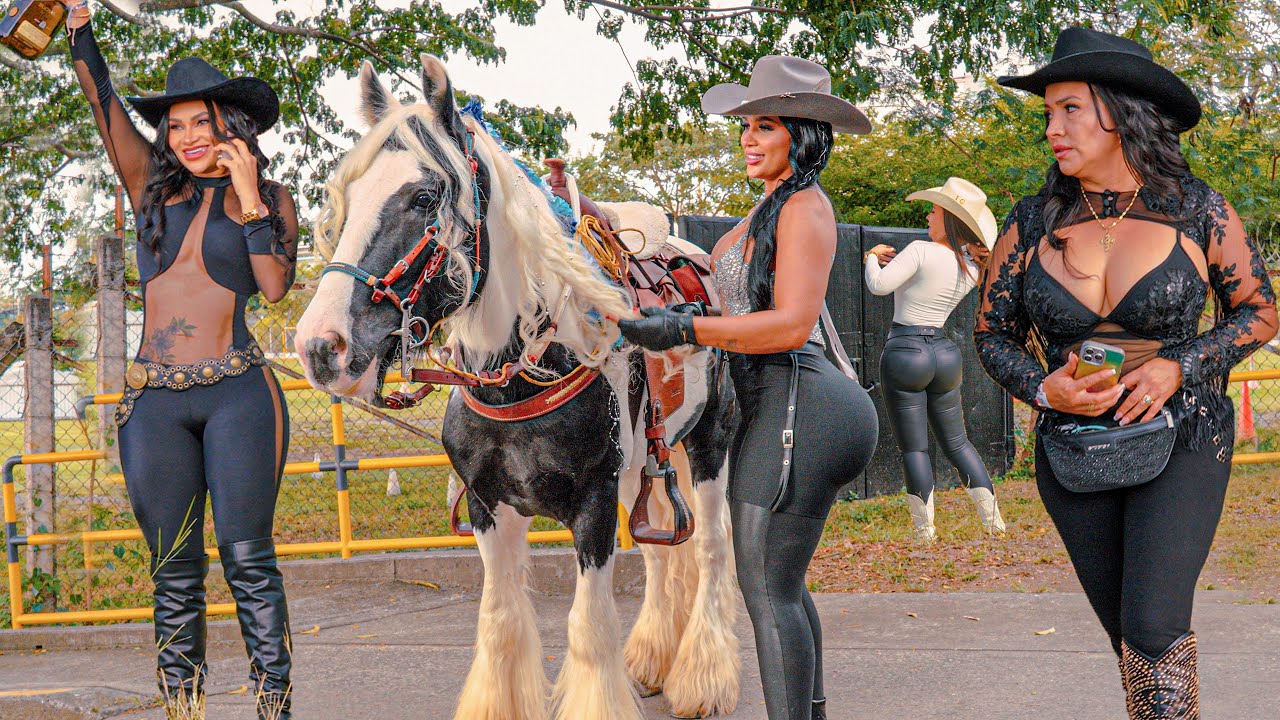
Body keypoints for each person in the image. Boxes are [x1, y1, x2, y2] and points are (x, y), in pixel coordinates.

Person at [977, 26, 1276, 717]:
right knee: (1133, 645)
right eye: (1047, 112)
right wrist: (1040, 386)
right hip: (1072, 448)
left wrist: (1179, 366)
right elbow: (992, 336)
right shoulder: (1030, 222)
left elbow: (1260, 312)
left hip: (1185, 434)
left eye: (1070, 108)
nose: (1052, 128)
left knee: (1153, 626)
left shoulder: (1199, 209)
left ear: (1120, 110)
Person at [618, 55, 878, 720]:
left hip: (802, 400)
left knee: (764, 590)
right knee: (781, 585)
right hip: (788, 402)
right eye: (745, 128)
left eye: (766, 125)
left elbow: (790, 325)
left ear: (804, 133)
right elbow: (715, 288)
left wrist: (686, 329)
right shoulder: (770, 209)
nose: (749, 138)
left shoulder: (804, 209)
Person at [62, 2, 299, 717]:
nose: (189, 136)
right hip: (154, 404)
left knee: (248, 560)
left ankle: (274, 706)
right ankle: (183, 708)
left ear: (232, 127)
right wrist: (78, 30)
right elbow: (102, 102)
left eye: (204, 121)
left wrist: (251, 195)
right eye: (177, 123)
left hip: (239, 395)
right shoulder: (150, 187)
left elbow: (274, 286)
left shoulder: (274, 199)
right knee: (174, 573)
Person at [864, 177, 1007, 542]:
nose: (929, 216)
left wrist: (870, 258)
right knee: (958, 442)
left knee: (914, 447)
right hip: (944, 354)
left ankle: (925, 531)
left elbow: (879, 286)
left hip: (906, 351)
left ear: (949, 220)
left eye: (934, 210)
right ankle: (994, 522)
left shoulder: (919, 250)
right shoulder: (972, 268)